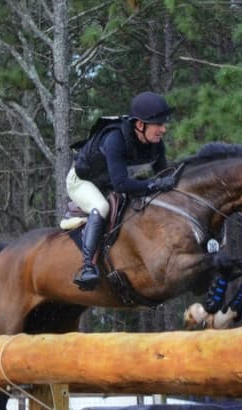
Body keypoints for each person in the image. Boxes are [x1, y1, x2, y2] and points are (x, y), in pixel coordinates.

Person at [66, 91, 177, 291]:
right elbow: (120, 184)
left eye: (163, 124)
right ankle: (88, 267)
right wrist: (154, 185)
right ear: (140, 125)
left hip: (109, 183)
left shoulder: (155, 144)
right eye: (158, 124)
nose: (163, 129)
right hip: (82, 181)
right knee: (101, 207)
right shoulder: (115, 139)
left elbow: (164, 175)